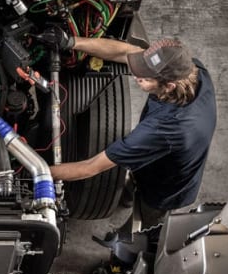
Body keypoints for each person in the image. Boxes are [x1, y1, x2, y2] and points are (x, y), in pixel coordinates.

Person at [37, 29, 217, 234]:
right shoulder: (193, 70)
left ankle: (127, 246)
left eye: (145, 77)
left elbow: (90, 167)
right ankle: (126, 196)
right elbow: (124, 52)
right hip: (153, 163)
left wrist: (35, 171)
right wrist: (70, 42)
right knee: (130, 186)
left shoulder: (164, 129)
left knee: (146, 229)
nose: (136, 76)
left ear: (168, 86)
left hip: (165, 189)